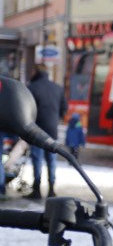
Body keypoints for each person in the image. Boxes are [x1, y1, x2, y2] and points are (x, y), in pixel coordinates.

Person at [25, 64, 68, 199]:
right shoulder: (57, 88)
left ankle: (37, 189)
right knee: (51, 160)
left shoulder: (32, 88)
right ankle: (51, 189)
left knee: (37, 160)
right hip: (52, 130)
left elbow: (26, 109)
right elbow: (64, 108)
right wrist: (56, 119)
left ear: (36, 72)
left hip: (36, 130)